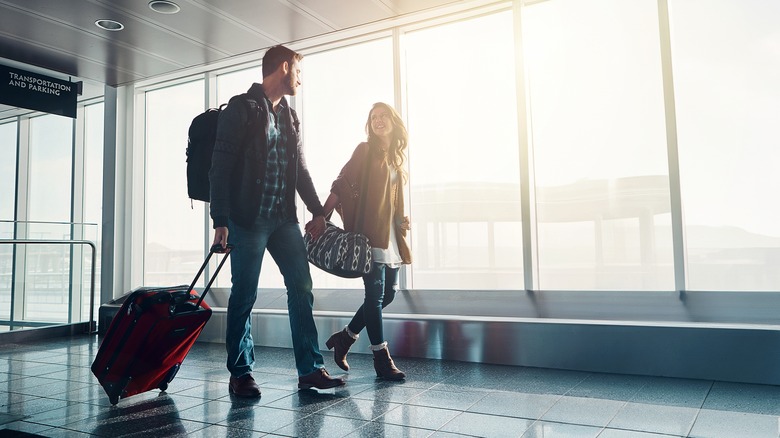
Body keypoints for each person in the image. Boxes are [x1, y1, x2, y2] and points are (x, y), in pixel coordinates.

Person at [209, 45, 343, 397]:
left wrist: (317, 211)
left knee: (301, 287)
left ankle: (310, 369)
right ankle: (241, 373)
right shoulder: (242, 108)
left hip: (284, 220)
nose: (300, 78)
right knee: (244, 294)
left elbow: (300, 170)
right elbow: (219, 167)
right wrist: (220, 219)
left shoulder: (290, 117)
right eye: (298, 70)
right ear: (284, 67)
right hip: (246, 219)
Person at [313, 102, 412, 380]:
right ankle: (381, 359)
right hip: (370, 235)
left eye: (383, 116)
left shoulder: (395, 158)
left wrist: (401, 220)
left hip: (391, 236)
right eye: (374, 117)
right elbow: (342, 182)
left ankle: (345, 338)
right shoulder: (365, 150)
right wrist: (322, 214)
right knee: (375, 296)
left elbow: (390, 200)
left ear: (394, 122)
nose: (378, 120)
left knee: (388, 294)